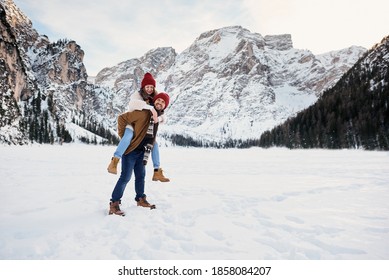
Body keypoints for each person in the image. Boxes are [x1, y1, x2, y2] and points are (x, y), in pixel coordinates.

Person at [109, 92, 170, 216]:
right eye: (158, 100)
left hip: (143, 152)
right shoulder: (143, 112)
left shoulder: (157, 118)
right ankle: (114, 203)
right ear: (154, 102)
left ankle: (140, 199)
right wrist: (125, 137)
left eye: (163, 102)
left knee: (141, 176)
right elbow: (122, 118)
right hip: (131, 151)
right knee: (125, 177)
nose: (160, 103)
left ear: (164, 107)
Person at [107, 72, 170, 182]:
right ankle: (114, 161)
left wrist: (158, 119)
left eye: (151, 87)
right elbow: (132, 105)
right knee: (128, 137)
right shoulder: (137, 94)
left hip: (144, 128)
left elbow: (164, 115)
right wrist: (150, 108)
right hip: (132, 123)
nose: (149, 89)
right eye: (147, 86)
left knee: (154, 144)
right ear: (143, 87)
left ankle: (157, 171)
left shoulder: (156, 97)